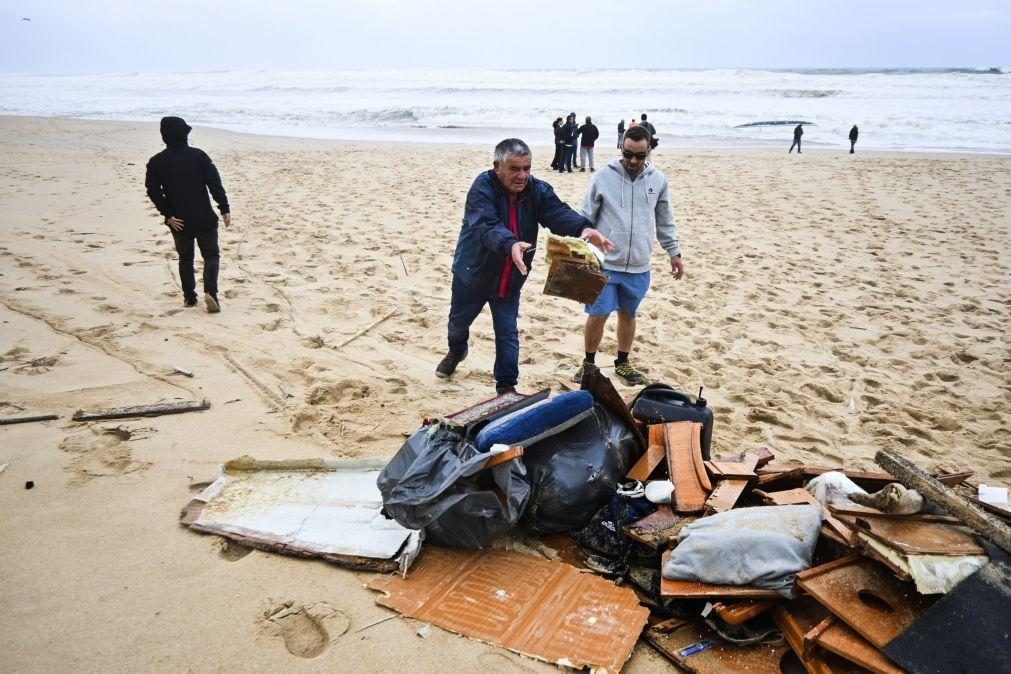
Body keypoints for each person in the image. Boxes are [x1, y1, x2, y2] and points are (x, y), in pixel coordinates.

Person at [438, 139, 614, 394]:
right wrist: (510, 244)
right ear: (497, 166)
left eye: (527, 168)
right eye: (515, 169)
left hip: (511, 277)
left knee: (507, 334)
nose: (522, 176)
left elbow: (557, 212)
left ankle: (506, 388)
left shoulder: (537, 190)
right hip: (472, 275)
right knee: (457, 324)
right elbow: (485, 225)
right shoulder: (482, 188)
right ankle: (457, 350)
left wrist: (583, 229)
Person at [571, 125, 684, 386]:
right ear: (621, 147)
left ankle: (622, 363)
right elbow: (585, 217)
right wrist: (580, 247)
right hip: (605, 264)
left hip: (639, 265)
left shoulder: (658, 181)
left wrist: (673, 252)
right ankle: (588, 363)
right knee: (598, 314)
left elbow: (665, 220)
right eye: (628, 154)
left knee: (628, 315)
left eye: (640, 155)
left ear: (649, 151)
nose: (633, 161)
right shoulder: (602, 177)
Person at [145, 116, 231, 313]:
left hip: (178, 220)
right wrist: (224, 207)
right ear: (184, 134)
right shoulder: (199, 156)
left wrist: (167, 215)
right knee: (211, 255)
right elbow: (214, 183)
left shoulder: (156, 162)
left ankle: (189, 298)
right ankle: (211, 293)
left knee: (185, 258)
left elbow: (153, 191)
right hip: (203, 217)